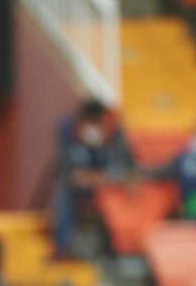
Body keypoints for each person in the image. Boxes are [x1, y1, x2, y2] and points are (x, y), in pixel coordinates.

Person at [51, 100, 134, 258]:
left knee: (122, 192)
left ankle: (115, 251)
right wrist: (81, 177)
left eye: (96, 123)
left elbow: (125, 167)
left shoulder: (114, 131)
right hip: (79, 185)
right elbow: (66, 169)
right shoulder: (67, 130)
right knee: (63, 191)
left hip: (107, 183)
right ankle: (62, 248)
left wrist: (104, 178)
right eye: (88, 123)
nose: (92, 128)